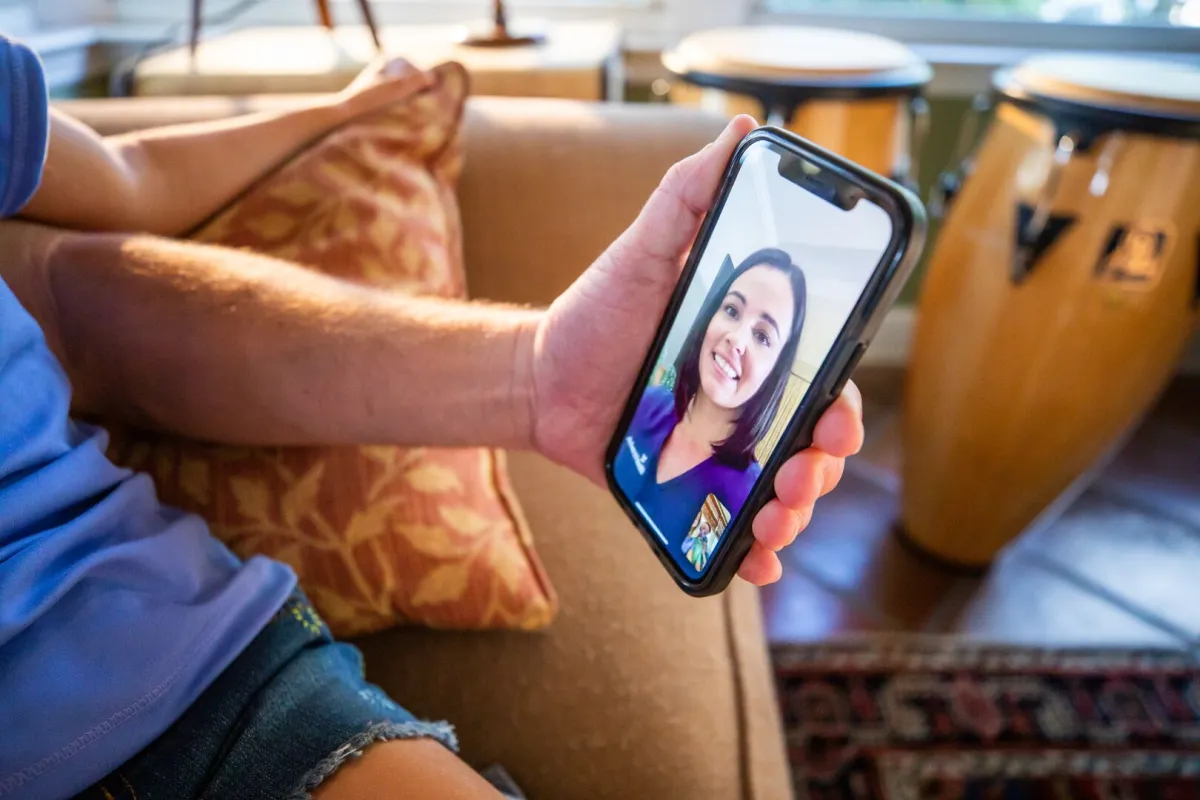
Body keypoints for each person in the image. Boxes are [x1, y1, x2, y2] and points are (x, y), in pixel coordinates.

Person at [0, 35, 864, 800]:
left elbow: (74, 294)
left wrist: (535, 377)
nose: (740, 342)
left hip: (181, 672)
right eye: (736, 312)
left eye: (767, 330)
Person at [613, 248, 807, 572]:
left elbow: (686, 570)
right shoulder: (648, 401)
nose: (736, 338)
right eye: (731, 310)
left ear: (775, 372)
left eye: (762, 335)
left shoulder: (744, 494)